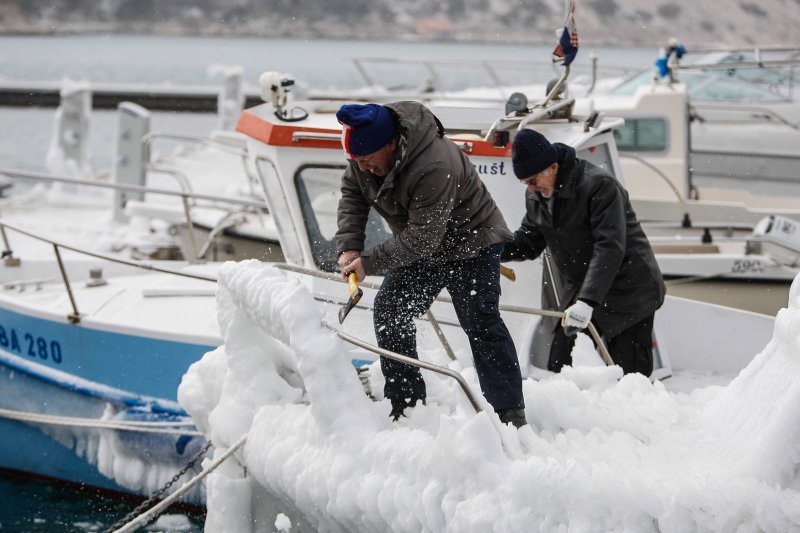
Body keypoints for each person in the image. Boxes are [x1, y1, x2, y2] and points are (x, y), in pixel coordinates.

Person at [334, 101, 527, 427]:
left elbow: (423, 240)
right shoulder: (363, 159)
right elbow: (353, 194)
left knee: (481, 323)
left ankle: (508, 415)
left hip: (473, 242)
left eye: (367, 159)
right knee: (391, 312)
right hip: (424, 243)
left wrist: (368, 262)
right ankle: (407, 405)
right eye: (357, 161)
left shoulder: (434, 163)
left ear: (391, 144)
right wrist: (350, 245)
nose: (362, 167)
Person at [502, 129, 666, 376]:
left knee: (630, 374)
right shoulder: (537, 196)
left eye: (533, 181)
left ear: (553, 167)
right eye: (525, 184)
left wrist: (587, 301)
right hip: (581, 290)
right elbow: (528, 242)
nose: (531, 189)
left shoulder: (599, 186)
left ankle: (631, 412)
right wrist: (490, 251)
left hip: (628, 294)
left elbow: (609, 247)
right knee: (560, 363)